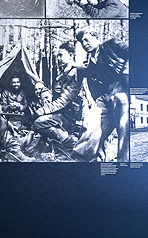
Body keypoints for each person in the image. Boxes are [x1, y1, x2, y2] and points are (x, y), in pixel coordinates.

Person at [75, 30, 129, 161]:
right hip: (105, 96)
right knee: (93, 123)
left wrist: (126, 72)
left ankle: (123, 161)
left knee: (122, 128)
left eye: (86, 39)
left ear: (95, 37)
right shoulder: (91, 61)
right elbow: (90, 76)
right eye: (82, 42)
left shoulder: (112, 44)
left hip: (121, 91)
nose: (84, 44)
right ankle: (93, 156)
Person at [26, 41, 83, 156]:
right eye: (58, 56)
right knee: (38, 122)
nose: (58, 59)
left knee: (39, 123)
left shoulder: (76, 73)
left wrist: (44, 110)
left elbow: (64, 100)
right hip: (61, 113)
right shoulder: (62, 74)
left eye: (61, 55)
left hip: (70, 116)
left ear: (71, 55)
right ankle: (58, 143)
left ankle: (69, 142)